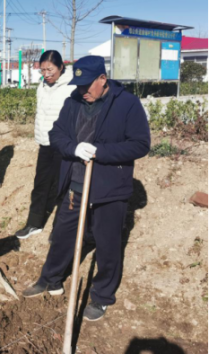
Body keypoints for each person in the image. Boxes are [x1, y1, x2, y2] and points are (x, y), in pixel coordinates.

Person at [22, 56, 150, 322]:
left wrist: (101, 152)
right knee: (62, 235)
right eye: (78, 85)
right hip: (75, 184)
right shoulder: (73, 102)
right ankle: (50, 278)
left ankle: (102, 296)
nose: (82, 91)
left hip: (110, 188)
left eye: (86, 85)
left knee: (107, 243)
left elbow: (140, 144)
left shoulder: (127, 104)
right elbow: (56, 134)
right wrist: (73, 148)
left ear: (102, 79)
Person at [15, 51, 75, 240]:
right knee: (40, 184)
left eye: (50, 69)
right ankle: (34, 223)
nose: (46, 74)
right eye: (43, 70)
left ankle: (60, 228)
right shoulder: (41, 85)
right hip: (45, 142)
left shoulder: (71, 87)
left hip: (63, 143)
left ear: (61, 67)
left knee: (61, 187)